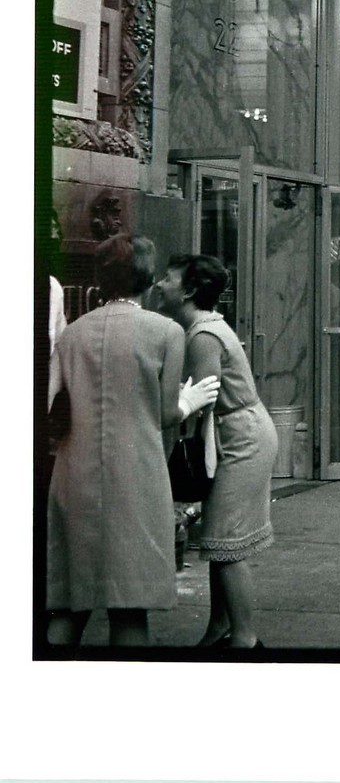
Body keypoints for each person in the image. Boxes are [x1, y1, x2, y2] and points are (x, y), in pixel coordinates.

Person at [46, 234, 220, 648]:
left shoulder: (72, 335)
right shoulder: (166, 332)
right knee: (129, 608)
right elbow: (164, 415)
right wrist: (188, 401)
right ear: (146, 277)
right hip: (136, 479)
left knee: (71, 606)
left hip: (74, 476)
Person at [154, 254, 277, 649]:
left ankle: (245, 639)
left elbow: (199, 398)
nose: (158, 284)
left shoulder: (202, 335)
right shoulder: (201, 327)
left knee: (226, 542)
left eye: (167, 279)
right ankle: (220, 629)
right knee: (222, 540)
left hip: (240, 437)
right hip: (236, 432)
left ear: (188, 291)